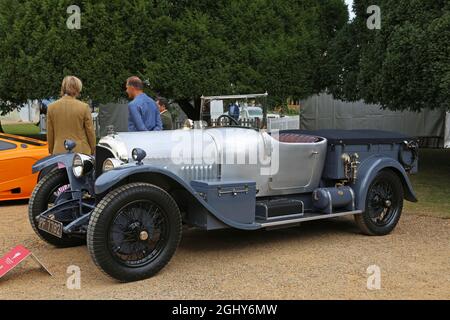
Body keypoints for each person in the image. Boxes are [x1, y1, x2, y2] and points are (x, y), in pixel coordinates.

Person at [46, 76, 96, 155]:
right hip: (81, 152)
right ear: (77, 88)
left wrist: (51, 150)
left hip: (59, 151)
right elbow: (90, 132)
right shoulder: (84, 107)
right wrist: (93, 149)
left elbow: (50, 133)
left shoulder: (51, 107)